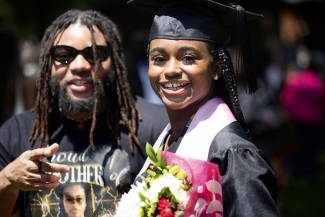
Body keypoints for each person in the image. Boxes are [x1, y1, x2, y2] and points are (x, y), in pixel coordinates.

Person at [0, 9, 168, 217]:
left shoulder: (158, 127)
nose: (80, 65)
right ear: (48, 63)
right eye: (64, 55)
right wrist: (7, 179)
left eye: (95, 55)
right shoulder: (15, 131)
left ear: (114, 60)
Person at [128, 0, 281, 216]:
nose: (171, 70)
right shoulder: (168, 137)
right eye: (159, 59)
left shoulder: (231, 153)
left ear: (216, 68)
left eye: (188, 58)